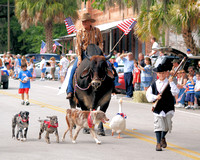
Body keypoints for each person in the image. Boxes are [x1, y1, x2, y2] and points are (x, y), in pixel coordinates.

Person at [66, 12, 103, 99]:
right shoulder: (79, 32)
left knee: (108, 65)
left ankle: (113, 87)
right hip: (84, 54)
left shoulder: (97, 30)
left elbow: (100, 42)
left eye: (85, 21)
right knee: (73, 69)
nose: (83, 23)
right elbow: (78, 47)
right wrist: (79, 59)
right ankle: (70, 91)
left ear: (90, 22)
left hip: (96, 54)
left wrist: (100, 52)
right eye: (82, 22)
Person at [146, 64, 179, 151]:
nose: (161, 75)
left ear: (166, 73)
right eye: (159, 73)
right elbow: (148, 95)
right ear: (157, 74)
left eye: (163, 73)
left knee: (167, 126)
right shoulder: (154, 84)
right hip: (158, 108)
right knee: (158, 126)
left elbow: (175, 92)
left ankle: (162, 137)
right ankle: (158, 143)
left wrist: (171, 82)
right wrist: (155, 97)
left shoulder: (170, 82)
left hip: (168, 107)